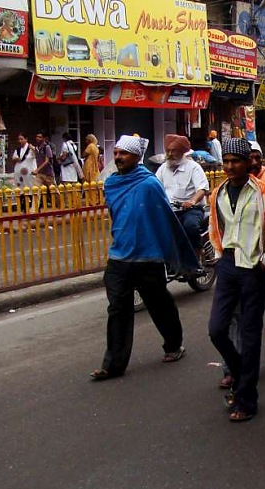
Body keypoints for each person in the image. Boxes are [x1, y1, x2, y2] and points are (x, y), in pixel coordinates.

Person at [89, 135, 198, 381]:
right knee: (117, 309)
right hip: (119, 256)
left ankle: (173, 344)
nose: (117, 158)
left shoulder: (150, 184)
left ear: (136, 157)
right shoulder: (112, 184)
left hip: (148, 257)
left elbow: (165, 219)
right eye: (115, 153)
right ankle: (113, 365)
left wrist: (173, 252)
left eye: (123, 154)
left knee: (158, 304)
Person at [206, 138, 265, 422]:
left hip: (254, 267)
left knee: (250, 333)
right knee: (217, 329)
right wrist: (220, 255)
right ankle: (238, 372)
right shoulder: (218, 193)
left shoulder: (263, 192)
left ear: (248, 163)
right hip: (229, 264)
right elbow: (215, 226)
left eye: (236, 161)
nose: (230, 166)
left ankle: (247, 398)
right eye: (227, 161)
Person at [155, 134, 209, 261]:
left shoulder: (193, 167)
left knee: (190, 227)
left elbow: (202, 189)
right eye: (168, 151)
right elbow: (155, 186)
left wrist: (192, 201)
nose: (170, 154)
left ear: (182, 152)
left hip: (191, 209)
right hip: (170, 209)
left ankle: (196, 256)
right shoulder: (163, 168)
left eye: (174, 151)